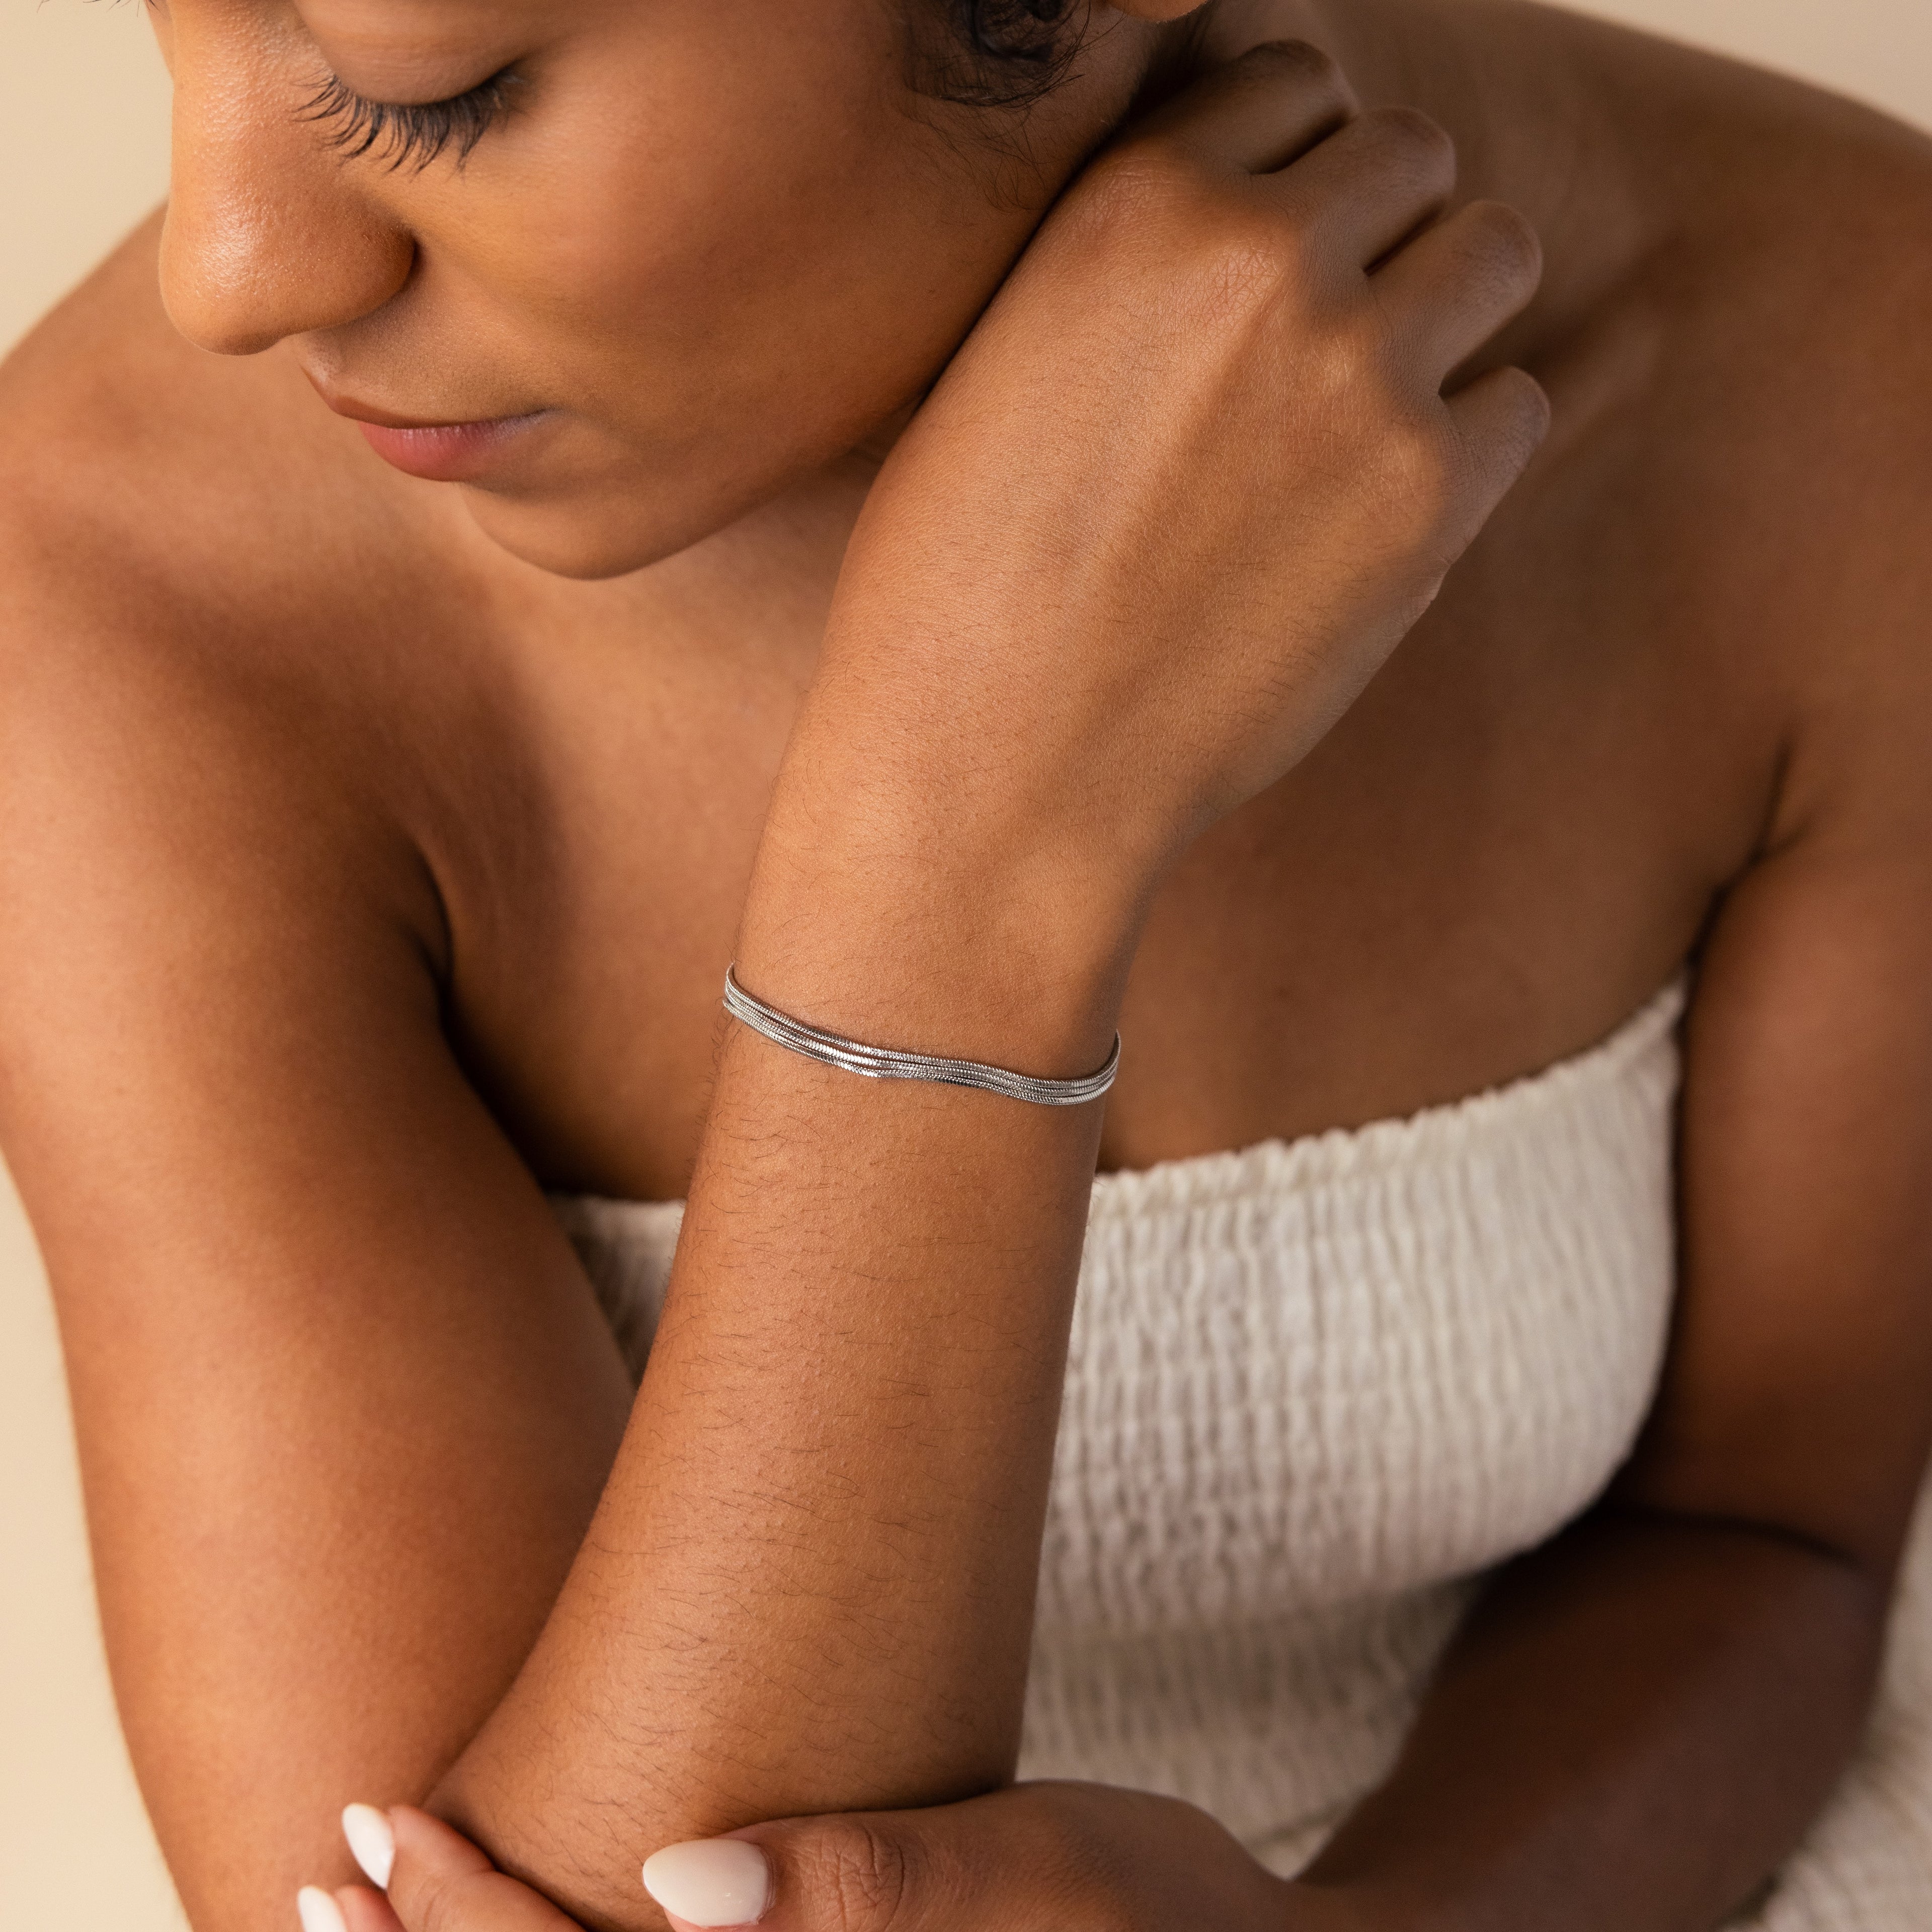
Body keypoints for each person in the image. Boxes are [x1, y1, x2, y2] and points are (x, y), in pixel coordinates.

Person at [3, 1, 1930, 1928]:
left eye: (436, 91)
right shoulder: (113, 592)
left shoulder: (1842, 330)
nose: (229, 270)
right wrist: (948, 881)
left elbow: (1759, 1538)